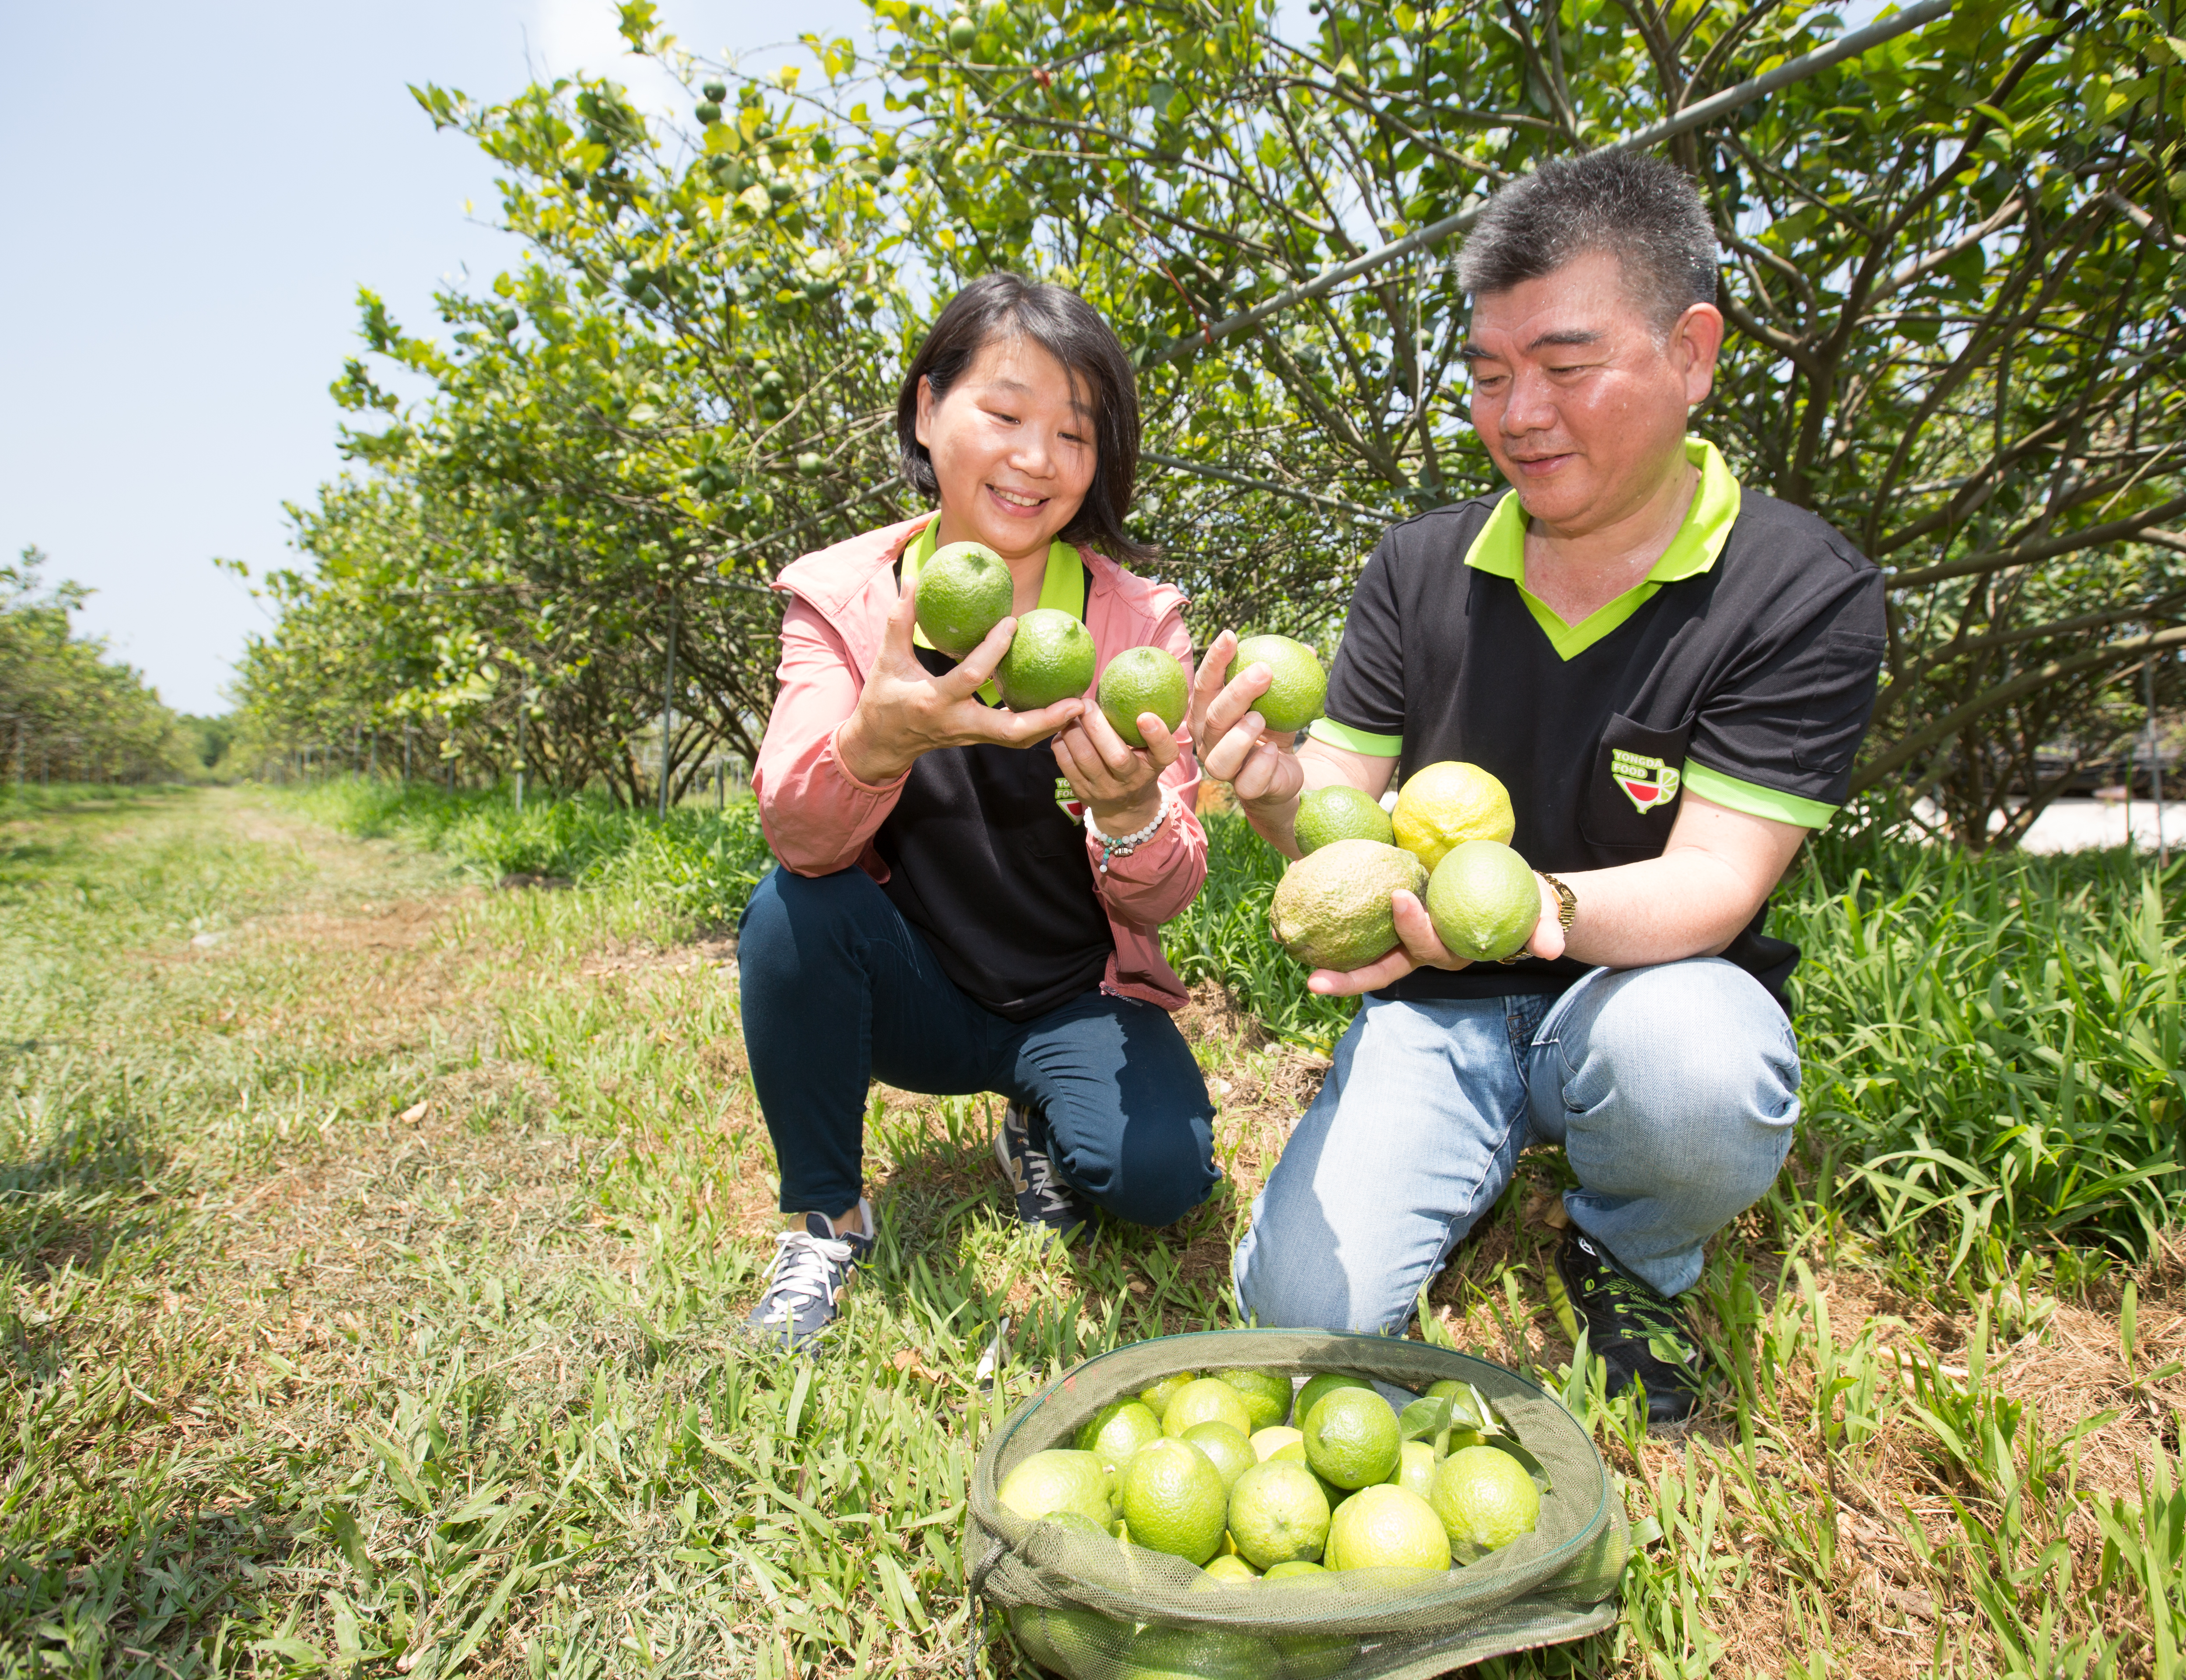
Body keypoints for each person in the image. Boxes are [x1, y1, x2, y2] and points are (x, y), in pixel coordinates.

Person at [1196, 154, 1885, 1421]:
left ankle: (1629, 1250)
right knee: (1305, 1317)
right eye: (1491, 375)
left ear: (1692, 353)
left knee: (1701, 1070)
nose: (1519, 414)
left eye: (1567, 370)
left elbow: (1716, 884)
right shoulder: (1419, 567)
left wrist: (1523, 907)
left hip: (1646, 990)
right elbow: (1334, 818)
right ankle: (1451, 1161)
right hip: (1437, 1007)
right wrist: (1267, 787)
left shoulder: (1799, 588)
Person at [737, 274, 1217, 1348]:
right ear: (927, 410)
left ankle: (1040, 1119)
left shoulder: (1137, 626)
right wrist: (879, 738)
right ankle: (825, 1214)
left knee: (1159, 1182)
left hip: (1076, 996)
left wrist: (1134, 808)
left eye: (1074, 435)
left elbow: (1176, 881)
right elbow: (799, 832)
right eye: (1004, 415)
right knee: (792, 912)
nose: (1037, 459)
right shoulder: (851, 601)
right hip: (921, 994)